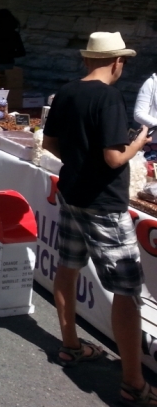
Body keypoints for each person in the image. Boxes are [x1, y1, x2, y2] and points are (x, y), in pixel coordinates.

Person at [41, 32, 155, 406]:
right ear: (116, 62)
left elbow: (50, 144)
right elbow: (113, 158)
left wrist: (78, 162)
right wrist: (138, 142)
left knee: (67, 266)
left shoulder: (68, 91)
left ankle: (70, 345)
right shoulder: (108, 97)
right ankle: (133, 382)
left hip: (72, 192)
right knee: (126, 290)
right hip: (104, 204)